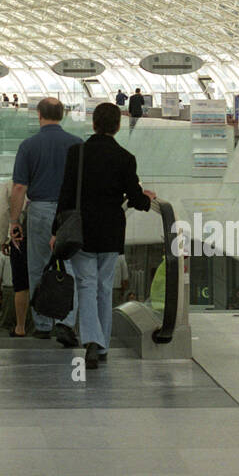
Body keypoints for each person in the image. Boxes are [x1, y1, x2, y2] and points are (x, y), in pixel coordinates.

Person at [52, 102, 155, 369]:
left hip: (81, 232)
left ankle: (92, 343)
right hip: (110, 233)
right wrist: (146, 197)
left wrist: (55, 231)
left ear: (94, 123)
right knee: (104, 287)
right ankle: (103, 344)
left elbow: (65, 194)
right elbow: (135, 198)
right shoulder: (125, 158)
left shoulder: (78, 153)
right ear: (118, 126)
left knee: (86, 285)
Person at [9, 98, 79, 345]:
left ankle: (42, 325)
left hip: (39, 210)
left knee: (37, 268)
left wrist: (14, 221)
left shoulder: (28, 145)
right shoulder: (76, 144)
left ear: (39, 114)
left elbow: (19, 187)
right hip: (70, 213)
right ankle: (66, 323)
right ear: (62, 114)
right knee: (70, 268)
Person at [0, 179, 30, 336]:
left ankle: (20, 327)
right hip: (45, 233)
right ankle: (45, 326)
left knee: (21, 284)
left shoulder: (12, 184)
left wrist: (3, 239)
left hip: (19, 235)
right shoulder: (47, 178)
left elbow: (3, 212)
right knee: (43, 279)